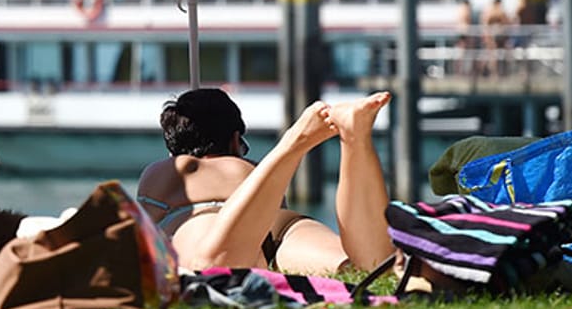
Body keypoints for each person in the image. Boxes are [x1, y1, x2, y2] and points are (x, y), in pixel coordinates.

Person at [135, 88, 395, 274]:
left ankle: (296, 142)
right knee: (364, 266)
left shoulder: (164, 171)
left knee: (212, 268)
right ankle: (354, 136)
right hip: (278, 225)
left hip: (207, 225)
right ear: (236, 140)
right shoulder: (249, 169)